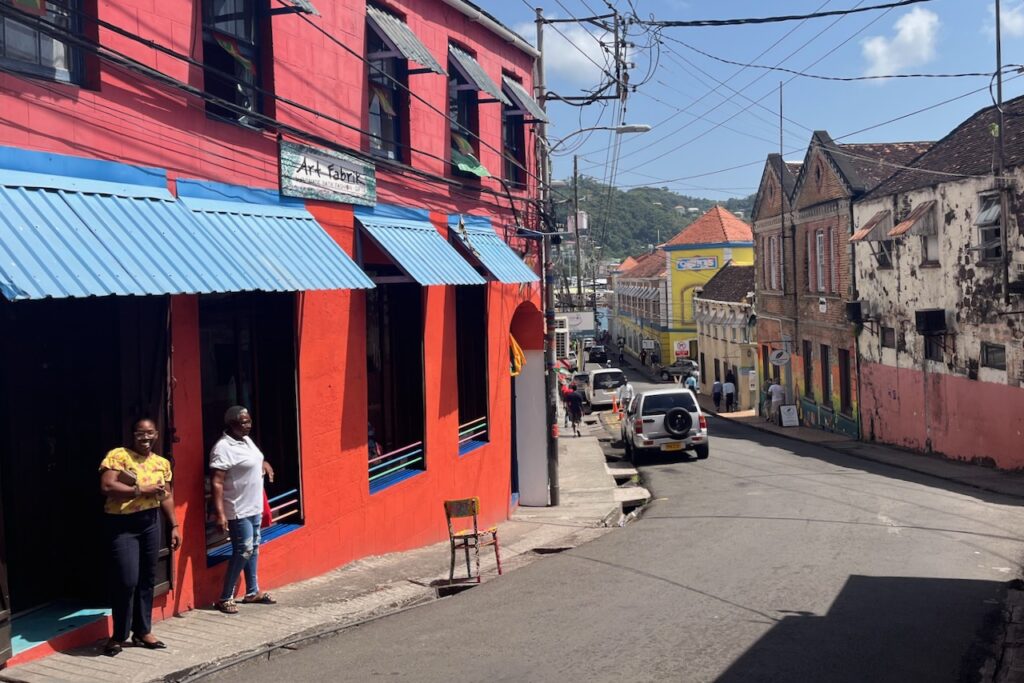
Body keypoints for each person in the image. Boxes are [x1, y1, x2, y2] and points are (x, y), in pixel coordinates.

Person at [98, 418, 181, 656]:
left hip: (150, 523)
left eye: (150, 433)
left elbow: (166, 496)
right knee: (126, 580)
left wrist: (174, 525)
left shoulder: (161, 463)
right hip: (122, 524)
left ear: (156, 434)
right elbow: (106, 486)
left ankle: (143, 631)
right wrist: (141, 490)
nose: (145, 438)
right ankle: (118, 635)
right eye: (140, 433)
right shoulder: (119, 456)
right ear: (133, 434)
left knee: (147, 578)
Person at [211, 406, 276, 614]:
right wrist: (220, 513)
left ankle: (252, 591)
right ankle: (225, 597)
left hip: (254, 505)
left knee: (254, 547)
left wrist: (263, 463)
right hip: (238, 508)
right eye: (243, 422)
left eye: (249, 421)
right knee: (244, 550)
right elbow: (217, 482)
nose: (247, 425)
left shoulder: (246, 440)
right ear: (231, 424)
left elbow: (253, 459)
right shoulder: (222, 448)